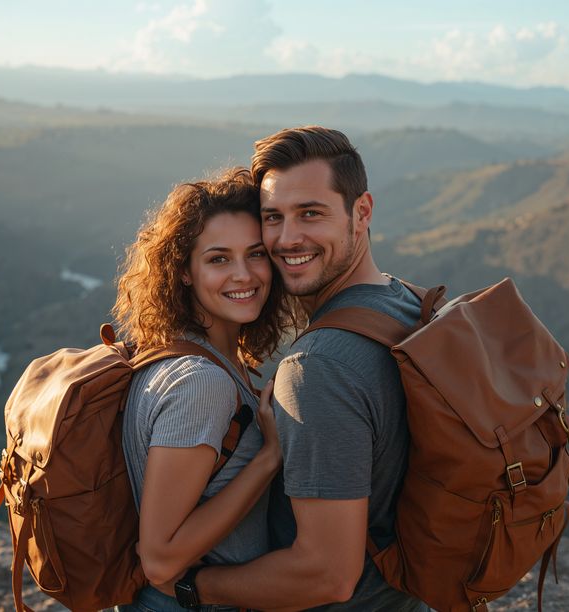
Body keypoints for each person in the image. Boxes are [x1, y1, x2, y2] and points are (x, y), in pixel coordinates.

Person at [173, 127, 428, 611]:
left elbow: (326, 575)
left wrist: (197, 587)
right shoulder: (406, 302)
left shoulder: (319, 367)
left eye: (310, 213)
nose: (288, 239)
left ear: (362, 212)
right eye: (273, 218)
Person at [112, 167, 298, 612]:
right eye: (218, 259)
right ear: (185, 272)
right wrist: (269, 458)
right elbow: (159, 559)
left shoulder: (185, 355)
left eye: (255, 254)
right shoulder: (201, 383)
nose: (244, 274)